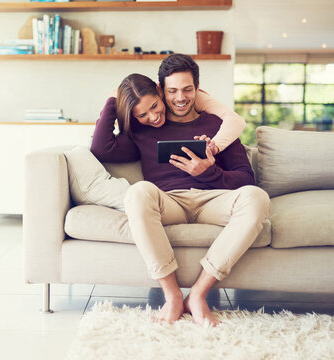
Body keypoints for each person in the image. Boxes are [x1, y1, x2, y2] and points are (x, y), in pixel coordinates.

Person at [90, 54, 271, 327]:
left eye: (187, 90)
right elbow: (101, 148)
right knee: (137, 192)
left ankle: (198, 294)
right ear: (161, 90)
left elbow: (246, 179)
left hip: (214, 200)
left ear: (197, 89)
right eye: (172, 91)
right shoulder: (142, 129)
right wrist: (114, 98)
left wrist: (209, 172)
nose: (180, 98)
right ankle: (172, 295)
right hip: (169, 202)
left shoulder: (216, 125)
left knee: (257, 198)